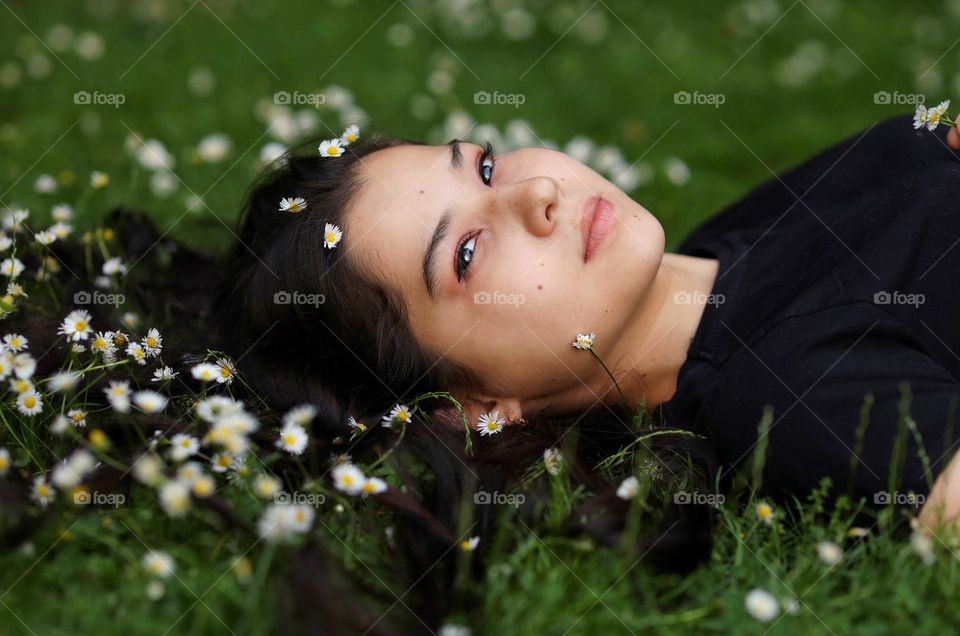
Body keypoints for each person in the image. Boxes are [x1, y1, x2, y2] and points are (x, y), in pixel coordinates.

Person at [221, 110, 960, 537]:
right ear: (468, 410)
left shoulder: (717, 249)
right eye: (468, 253)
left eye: (481, 169)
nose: (537, 190)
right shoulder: (786, 395)